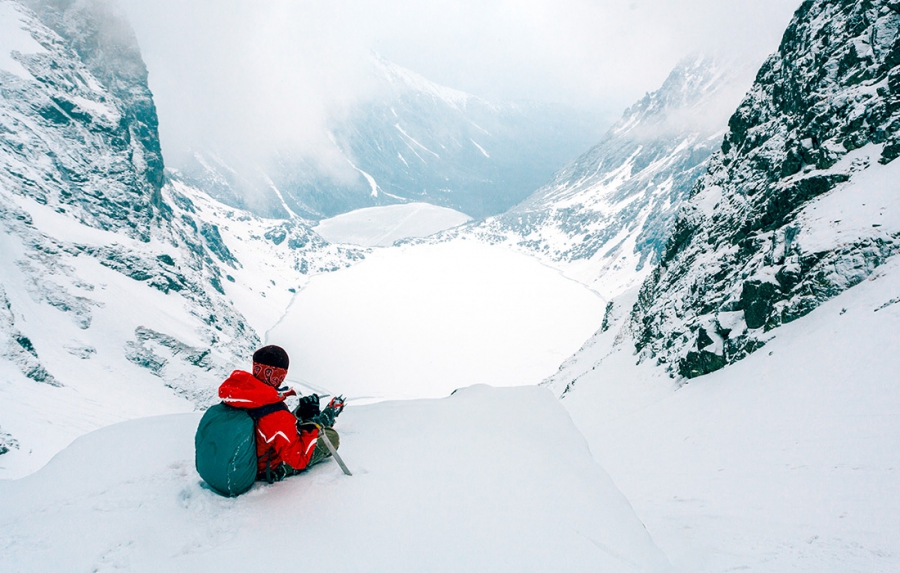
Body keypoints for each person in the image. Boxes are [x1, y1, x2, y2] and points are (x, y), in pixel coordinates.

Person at [217, 344, 344, 482]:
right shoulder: (276, 415)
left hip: (235, 458)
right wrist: (310, 425)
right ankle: (281, 469)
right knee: (332, 436)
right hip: (263, 466)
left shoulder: (237, 396)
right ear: (281, 375)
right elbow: (299, 459)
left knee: (291, 420)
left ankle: (314, 419)